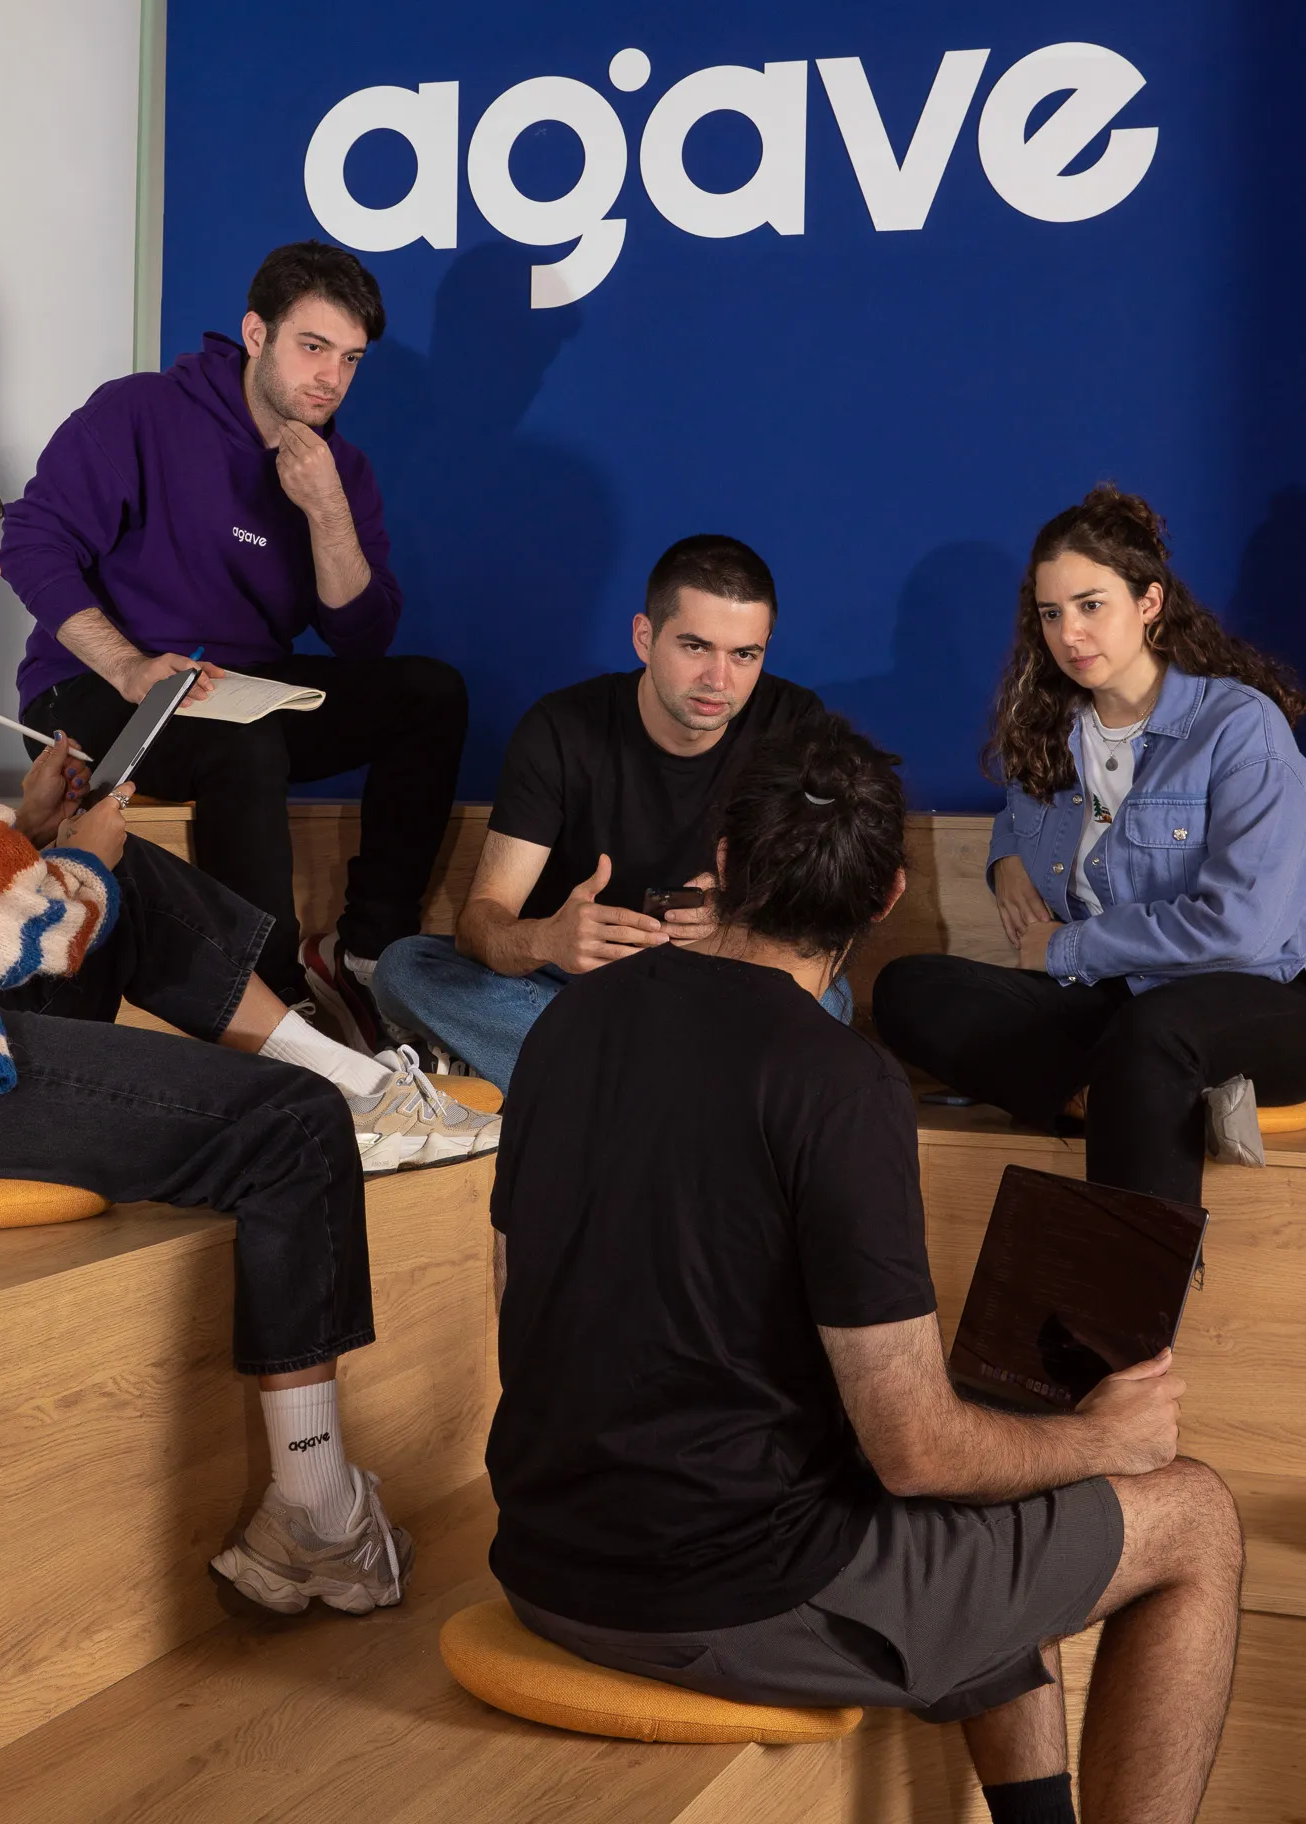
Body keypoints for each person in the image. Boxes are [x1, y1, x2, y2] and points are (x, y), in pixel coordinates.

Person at [487, 715, 1243, 1824]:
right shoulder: (839, 1083)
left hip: (547, 1551)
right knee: (1192, 1514)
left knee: (998, 1470)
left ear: (725, 861)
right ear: (886, 895)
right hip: (722, 1593)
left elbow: (521, 1301)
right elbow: (916, 1453)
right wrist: (1100, 1439)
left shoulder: (565, 1022)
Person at [0, 419, 452, 1617]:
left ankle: (346, 1078)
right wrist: (76, 854)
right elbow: (26, 938)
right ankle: (319, 1514)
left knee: (113, 879)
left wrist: (30, 834)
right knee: (286, 1127)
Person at [0, 239, 468, 1050]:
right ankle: (277, 1010)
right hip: (94, 687)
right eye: (311, 348)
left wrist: (325, 509)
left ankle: (362, 954)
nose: (329, 379)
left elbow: (362, 636)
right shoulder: (140, 411)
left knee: (430, 694)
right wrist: (128, 666)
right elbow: (30, 543)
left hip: (234, 686)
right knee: (243, 740)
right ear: (256, 333)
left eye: (350, 360)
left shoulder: (338, 467)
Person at [873, 485, 1306, 1204]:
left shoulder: (1238, 728)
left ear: (1149, 603)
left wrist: (1067, 949)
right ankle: (1112, 1101)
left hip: (1256, 1000)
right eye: (1050, 613)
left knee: (1151, 1034)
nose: (1068, 633)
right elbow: (1024, 801)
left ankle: (1118, 1306)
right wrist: (1005, 853)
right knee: (910, 988)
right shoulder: (1053, 726)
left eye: (1090, 605)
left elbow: (1242, 930)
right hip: (1113, 1002)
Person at [373, 534, 846, 1093]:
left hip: (719, 986)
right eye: (695, 647)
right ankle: (691, 1090)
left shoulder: (794, 724)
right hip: (577, 987)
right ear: (644, 638)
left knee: (829, 999)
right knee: (406, 968)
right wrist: (549, 940)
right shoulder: (561, 729)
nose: (720, 681)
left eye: (745, 655)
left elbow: (816, 916)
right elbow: (482, 922)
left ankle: (604, 1082)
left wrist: (734, 927)